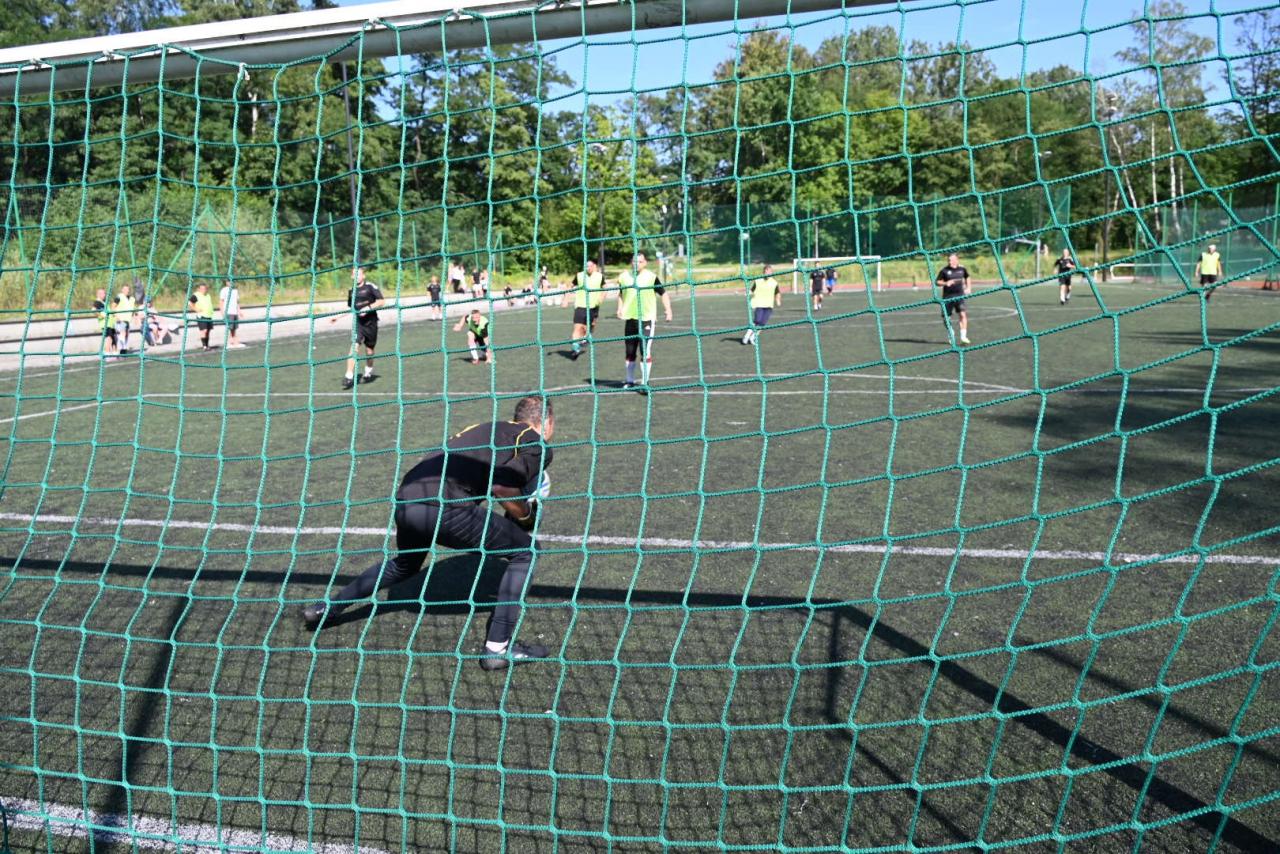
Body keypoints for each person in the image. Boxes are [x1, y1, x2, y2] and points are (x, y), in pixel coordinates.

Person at [301, 396, 556, 671]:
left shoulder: (489, 428)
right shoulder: (534, 441)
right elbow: (503, 488)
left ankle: (326, 608)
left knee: (405, 564)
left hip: (407, 499)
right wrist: (527, 516)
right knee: (526, 552)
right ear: (547, 422)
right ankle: (498, 649)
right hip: (445, 506)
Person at [616, 252, 672, 393]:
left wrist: (668, 310)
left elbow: (663, 293)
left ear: (645, 263)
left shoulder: (651, 277)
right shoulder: (624, 277)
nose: (637, 264)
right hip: (630, 319)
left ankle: (645, 383)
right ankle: (629, 381)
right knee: (630, 352)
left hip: (646, 319)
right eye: (634, 261)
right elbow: (621, 293)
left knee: (644, 351)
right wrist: (620, 307)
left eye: (640, 261)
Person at [344, 265, 386, 389]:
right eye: (354, 274)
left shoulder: (370, 286)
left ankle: (368, 370)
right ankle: (349, 375)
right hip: (359, 324)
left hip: (371, 324)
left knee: (369, 351)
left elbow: (381, 301)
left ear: (363, 275)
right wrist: (339, 317)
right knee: (354, 347)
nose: (357, 276)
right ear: (352, 276)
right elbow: (352, 308)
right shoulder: (351, 291)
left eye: (359, 274)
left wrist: (367, 308)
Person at [569, 259, 604, 360]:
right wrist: (566, 298)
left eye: (589, 266)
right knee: (577, 328)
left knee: (589, 327)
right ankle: (575, 349)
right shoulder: (579, 275)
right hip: (580, 305)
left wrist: (601, 297)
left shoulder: (599, 276)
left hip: (593, 306)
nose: (587, 268)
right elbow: (571, 286)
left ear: (594, 266)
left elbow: (605, 288)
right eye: (586, 266)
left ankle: (586, 337)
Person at [935, 253, 971, 346]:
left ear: (957, 260)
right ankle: (951, 332)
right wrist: (945, 283)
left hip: (959, 296)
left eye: (952, 260)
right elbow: (937, 282)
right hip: (947, 297)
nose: (950, 262)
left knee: (962, 314)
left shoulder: (962, 269)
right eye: (949, 260)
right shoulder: (944, 270)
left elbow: (967, 277)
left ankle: (963, 337)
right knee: (946, 318)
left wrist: (968, 288)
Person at [742, 264, 781, 345]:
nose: (768, 273)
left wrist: (778, 300)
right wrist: (747, 293)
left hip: (769, 305)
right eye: (767, 271)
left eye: (770, 271)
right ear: (764, 272)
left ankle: (753, 337)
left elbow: (777, 292)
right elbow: (752, 290)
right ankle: (747, 336)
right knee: (757, 320)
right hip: (758, 303)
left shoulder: (774, 282)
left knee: (762, 323)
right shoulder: (758, 280)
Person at [112, 282, 139, 354]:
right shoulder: (119, 297)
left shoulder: (132, 299)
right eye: (125, 289)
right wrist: (116, 316)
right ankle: (121, 350)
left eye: (128, 289)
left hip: (128, 320)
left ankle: (124, 350)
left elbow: (134, 309)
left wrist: (136, 318)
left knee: (126, 335)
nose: (127, 291)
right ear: (122, 290)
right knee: (122, 334)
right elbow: (113, 306)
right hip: (120, 319)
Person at [187, 282, 215, 351]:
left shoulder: (208, 295)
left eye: (205, 289)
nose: (203, 290)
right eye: (202, 289)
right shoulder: (196, 295)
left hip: (209, 315)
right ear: (199, 289)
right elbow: (190, 303)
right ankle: (204, 346)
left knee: (208, 331)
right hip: (201, 316)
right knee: (204, 331)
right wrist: (196, 309)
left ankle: (207, 345)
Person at [219, 279, 245, 348]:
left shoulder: (235, 291)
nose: (231, 283)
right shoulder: (224, 290)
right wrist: (222, 313)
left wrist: (239, 311)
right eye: (229, 281)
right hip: (228, 312)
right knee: (230, 328)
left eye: (232, 281)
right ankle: (230, 343)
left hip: (234, 312)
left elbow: (237, 302)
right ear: (226, 282)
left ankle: (234, 342)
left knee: (234, 328)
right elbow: (221, 302)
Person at [93, 288, 117, 357]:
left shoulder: (104, 302)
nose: (104, 295)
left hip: (110, 323)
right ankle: (106, 352)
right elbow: (94, 310)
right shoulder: (97, 302)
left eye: (104, 293)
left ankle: (112, 352)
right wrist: (101, 316)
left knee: (113, 338)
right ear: (98, 294)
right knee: (108, 338)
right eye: (103, 293)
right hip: (105, 324)